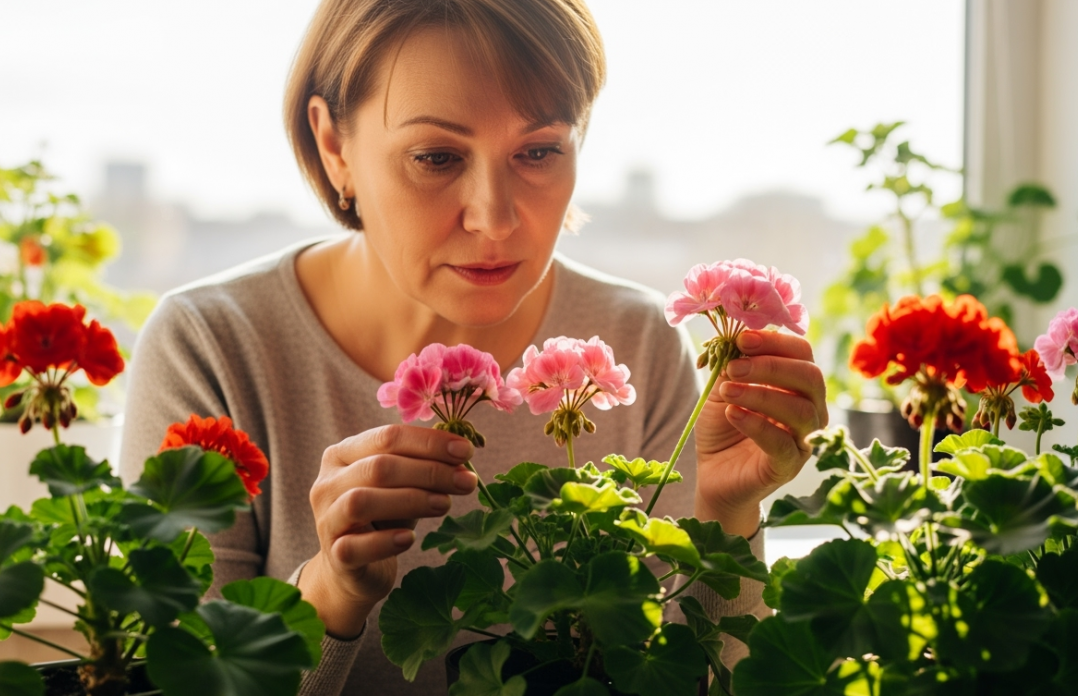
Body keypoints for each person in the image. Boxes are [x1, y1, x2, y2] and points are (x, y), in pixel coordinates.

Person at [120, 0, 829, 694]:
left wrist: (728, 511)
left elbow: (702, 676)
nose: (493, 217)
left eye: (538, 151)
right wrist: (329, 592)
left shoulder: (638, 344)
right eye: (435, 156)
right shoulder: (208, 348)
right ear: (334, 146)